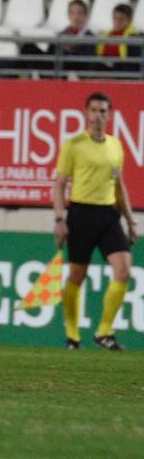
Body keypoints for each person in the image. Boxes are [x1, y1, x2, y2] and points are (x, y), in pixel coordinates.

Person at [54, 92, 137, 351]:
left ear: (109, 115)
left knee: (123, 269)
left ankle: (104, 332)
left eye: (103, 111)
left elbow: (119, 184)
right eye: (94, 110)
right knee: (77, 276)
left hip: (109, 214)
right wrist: (59, 219)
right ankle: (72, 336)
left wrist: (130, 220)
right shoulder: (74, 144)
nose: (98, 116)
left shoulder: (115, 146)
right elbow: (58, 185)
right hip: (81, 213)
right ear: (86, 113)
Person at [6, 0, 96, 76]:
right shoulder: (63, 33)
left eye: (79, 13)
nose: (75, 17)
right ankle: (11, 77)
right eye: (72, 13)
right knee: (28, 47)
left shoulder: (89, 36)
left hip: (70, 69)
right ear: (68, 15)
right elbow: (50, 52)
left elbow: (87, 62)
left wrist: (69, 49)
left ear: (85, 16)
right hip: (53, 64)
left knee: (57, 48)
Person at [96, 4, 142, 73]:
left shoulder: (135, 37)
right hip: (104, 70)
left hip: (122, 73)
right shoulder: (105, 35)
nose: (118, 22)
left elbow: (133, 64)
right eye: (115, 18)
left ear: (129, 20)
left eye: (121, 19)